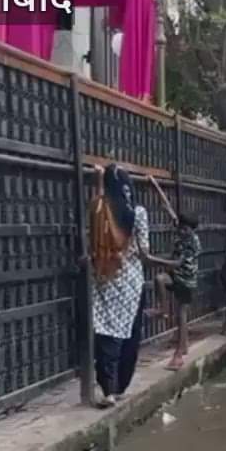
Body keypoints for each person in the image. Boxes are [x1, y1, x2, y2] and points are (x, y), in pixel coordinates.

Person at [90, 164, 149, 408]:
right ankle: (121, 385)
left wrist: (99, 180)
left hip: (105, 278)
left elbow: (101, 204)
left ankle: (108, 390)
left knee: (106, 332)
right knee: (129, 334)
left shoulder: (100, 208)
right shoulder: (138, 212)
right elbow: (145, 251)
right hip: (131, 282)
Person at [148, 212, 201, 370]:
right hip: (175, 276)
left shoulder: (192, 241)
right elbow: (174, 217)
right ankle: (163, 309)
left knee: (181, 316)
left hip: (186, 280)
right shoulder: (181, 235)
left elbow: (178, 263)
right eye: (181, 228)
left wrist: (152, 259)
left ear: (192, 230)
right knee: (159, 279)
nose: (182, 231)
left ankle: (179, 354)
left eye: (186, 229)